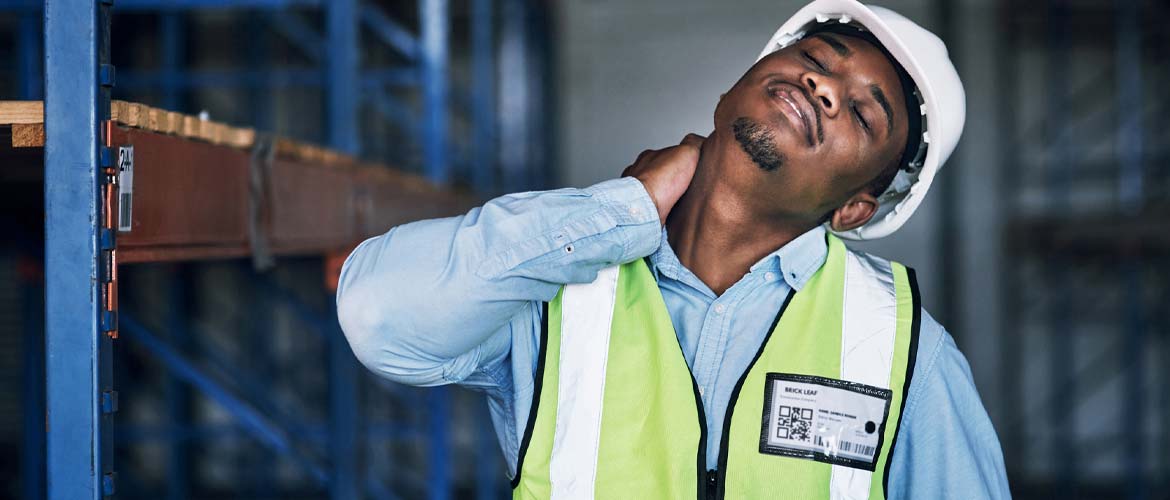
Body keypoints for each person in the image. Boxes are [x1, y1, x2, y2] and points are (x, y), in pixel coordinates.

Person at [336, 0, 1010, 498]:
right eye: (813, 61)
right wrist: (621, 210)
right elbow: (379, 316)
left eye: (864, 114)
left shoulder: (901, 352)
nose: (824, 88)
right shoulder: (562, 281)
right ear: (735, 88)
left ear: (855, 206)